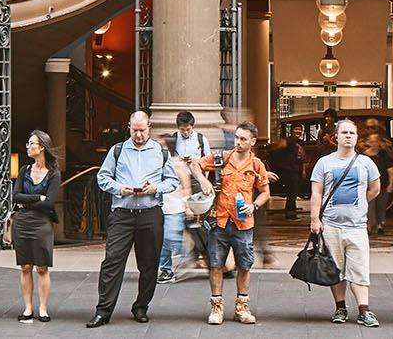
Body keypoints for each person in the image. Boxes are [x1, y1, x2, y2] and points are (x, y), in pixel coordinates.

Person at [90, 110, 176, 328]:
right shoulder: (117, 150)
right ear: (128, 127)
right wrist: (120, 188)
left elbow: (172, 181)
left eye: (142, 130)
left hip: (150, 213)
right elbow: (102, 177)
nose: (138, 134)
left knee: (149, 264)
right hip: (122, 214)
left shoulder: (160, 152)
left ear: (150, 127)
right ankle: (103, 310)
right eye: (134, 130)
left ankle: (141, 307)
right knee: (112, 262)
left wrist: (156, 188)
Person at [312, 117, 385, 330]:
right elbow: (316, 192)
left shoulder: (366, 163)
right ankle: (340, 307)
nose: (348, 136)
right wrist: (315, 219)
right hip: (331, 226)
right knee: (336, 269)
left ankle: (364, 310)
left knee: (360, 268)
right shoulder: (324, 163)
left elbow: (375, 189)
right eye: (344, 133)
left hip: (357, 226)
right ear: (336, 137)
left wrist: (360, 204)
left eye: (351, 133)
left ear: (356, 138)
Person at [204, 118, 270, 326]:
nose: (238, 142)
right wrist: (205, 181)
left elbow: (265, 192)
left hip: (244, 223)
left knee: (244, 265)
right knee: (216, 264)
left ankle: (242, 306)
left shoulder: (257, 165)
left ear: (252, 142)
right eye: (237, 138)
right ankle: (216, 307)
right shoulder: (222, 158)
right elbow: (195, 165)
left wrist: (254, 206)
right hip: (221, 220)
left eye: (243, 139)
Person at [13, 131, 60, 324]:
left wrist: (28, 202)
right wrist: (37, 198)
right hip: (22, 222)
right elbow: (15, 197)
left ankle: (42, 308)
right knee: (25, 266)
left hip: (41, 223)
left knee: (41, 267)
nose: (27, 146)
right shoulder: (24, 170)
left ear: (41, 147)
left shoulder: (53, 174)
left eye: (31, 143)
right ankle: (27, 308)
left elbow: (49, 203)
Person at [162, 111, 212, 284]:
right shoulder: (174, 139)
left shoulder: (200, 139)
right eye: (183, 129)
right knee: (189, 221)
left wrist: (196, 161)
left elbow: (209, 160)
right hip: (179, 183)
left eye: (188, 129)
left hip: (196, 181)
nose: (185, 132)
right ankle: (199, 253)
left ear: (193, 126)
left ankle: (199, 253)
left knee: (197, 220)